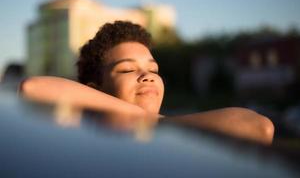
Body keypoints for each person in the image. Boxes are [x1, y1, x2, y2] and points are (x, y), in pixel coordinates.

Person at [21, 21, 274, 144]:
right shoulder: (83, 138)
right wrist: (137, 118)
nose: (148, 75)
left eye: (153, 69)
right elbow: (33, 88)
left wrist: (154, 124)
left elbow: (258, 127)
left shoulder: (174, 137)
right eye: (128, 69)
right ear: (95, 89)